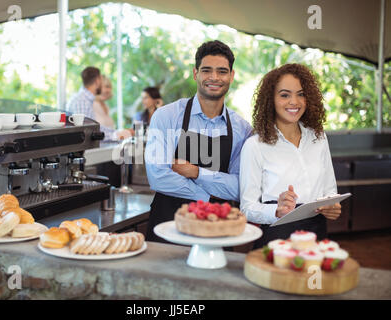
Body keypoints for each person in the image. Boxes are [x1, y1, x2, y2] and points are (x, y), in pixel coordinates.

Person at [145, 40, 253, 242]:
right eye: (206, 70)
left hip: (218, 229)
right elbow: (158, 176)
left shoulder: (242, 129)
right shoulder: (166, 116)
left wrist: (196, 172)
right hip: (169, 226)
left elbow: (240, 187)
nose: (214, 77)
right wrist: (208, 198)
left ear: (231, 76)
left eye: (222, 71)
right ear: (196, 74)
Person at [239, 63, 342, 249]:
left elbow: (330, 190)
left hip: (316, 234)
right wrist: (276, 210)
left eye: (301, 94)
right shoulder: (254, 146)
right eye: (285, 95)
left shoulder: (318, 138)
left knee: (314, 278)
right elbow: (247, 208)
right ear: (270, 100)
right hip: (277, 236)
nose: (294, 102)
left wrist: (332, 207)